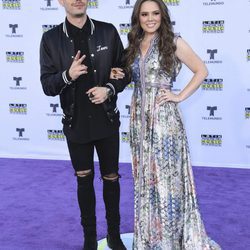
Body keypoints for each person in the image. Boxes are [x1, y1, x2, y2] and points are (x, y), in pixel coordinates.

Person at [119, 0, 222, 249]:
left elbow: (201, 70)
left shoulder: (173, 41)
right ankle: (150, 238)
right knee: (145, 178)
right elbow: (130, 75)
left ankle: (170, 240)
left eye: (155, 13)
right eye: (144, 14)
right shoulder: (133, 43)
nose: (150, 18)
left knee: (167, 180)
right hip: (139, 120)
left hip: (164, 119)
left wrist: (178, 96)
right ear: (138, 17)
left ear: (162, 15)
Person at [39, 0, 129, 249]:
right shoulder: (50, 38)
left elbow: (125, 71)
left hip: (106, 119)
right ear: (60, 1)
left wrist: (108, 89)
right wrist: (68, 75)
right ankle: (89, 238)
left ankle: (114, 235)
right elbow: (47, 85)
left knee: (111, 178)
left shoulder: (107, 31)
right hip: (76, 122)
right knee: (84, 179)